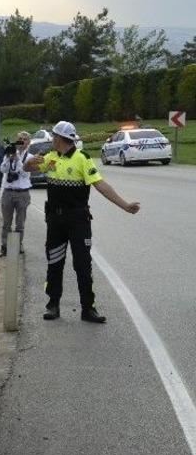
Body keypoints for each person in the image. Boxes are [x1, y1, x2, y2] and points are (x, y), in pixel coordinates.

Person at [26, 121, 140, 323]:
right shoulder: (50, 158)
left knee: (82, 264)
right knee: (54, 261)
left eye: (54, 136)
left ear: (61, 139)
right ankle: (53, 304)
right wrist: (29, 163)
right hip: (55, 220)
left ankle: (88, 308)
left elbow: (101, 186)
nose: (52, 139)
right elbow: (27, 169)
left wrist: (125, 205)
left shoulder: (82, 159)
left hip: (78, 220)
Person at [0, 132, 33, 257]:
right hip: (8, 192)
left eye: (25, 139)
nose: (22, 141)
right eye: (20, 139)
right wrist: (9, 158)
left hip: (22, 193)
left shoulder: (30, 157)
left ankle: (18, 245)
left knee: (20, 223)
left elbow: (24, 173)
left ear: (28, 142)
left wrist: (18, 161)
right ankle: (4, 246)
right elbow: (3, 169)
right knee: (6, 222)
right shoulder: (10, 152)